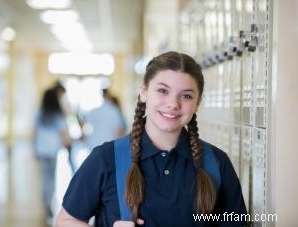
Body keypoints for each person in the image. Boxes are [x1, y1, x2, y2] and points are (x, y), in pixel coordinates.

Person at [56, 51, 247, 227]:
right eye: (163, 91)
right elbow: (66, 221)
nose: (173, 104)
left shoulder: (217, 163)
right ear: (144, 92)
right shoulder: (106, 159)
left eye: (186, 96)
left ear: (197, 104)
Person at [33, 88, 71, 220]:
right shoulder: (58, 114)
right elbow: (63, 133)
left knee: (45, 178)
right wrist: (67, 145)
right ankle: (47, 203)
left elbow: (34, 133)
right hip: (53, 151)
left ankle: (46, 203)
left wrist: (34, 149)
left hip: (41, 150)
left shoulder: (38, 114)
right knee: (51, 178)